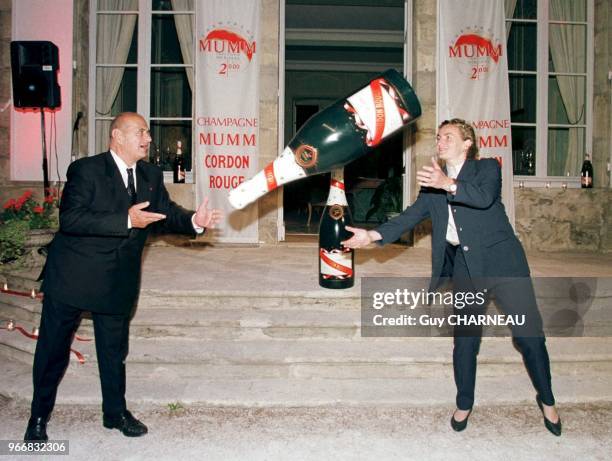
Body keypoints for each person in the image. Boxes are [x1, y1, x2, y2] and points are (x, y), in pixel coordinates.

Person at [342, 118, 562, 436]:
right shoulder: (434, 184)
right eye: (439, 137)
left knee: (530, 339)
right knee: (464, 342)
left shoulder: (487, 168)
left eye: (448, 137)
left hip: (504, 265)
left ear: (467, 143)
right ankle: (464, 402)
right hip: (467, 268)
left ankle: (548, 400)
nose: (440, 142)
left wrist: (448, 183)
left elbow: (483, 197)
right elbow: (409, 216)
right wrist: (372, 236)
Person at [24, 112, 223, 441]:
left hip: (118, 279)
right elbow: (72, 219)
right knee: (52, 352)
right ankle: (38, 419)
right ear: (116, 136)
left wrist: (194, 222)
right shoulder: (86, 170)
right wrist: (126, 220)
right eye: (140, 133)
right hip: (74, 277)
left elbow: (164, 213)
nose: (147, 139)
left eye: (147, 133)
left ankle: (114, 413)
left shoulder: (150, 173)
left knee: (114, 352)